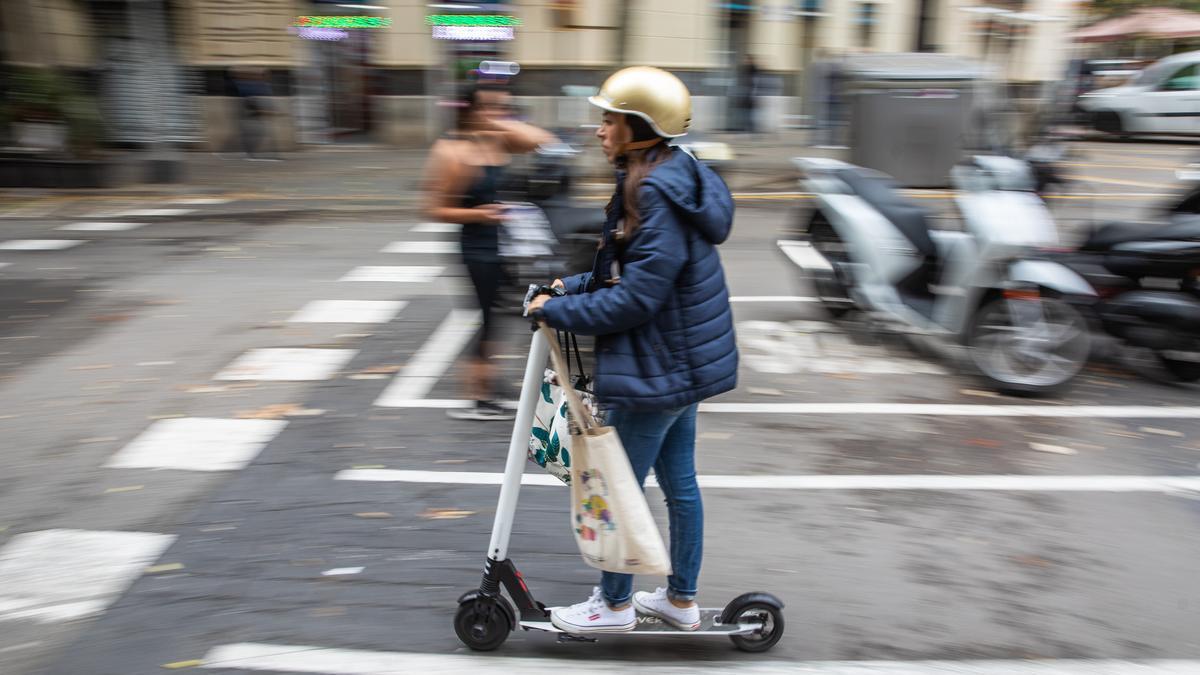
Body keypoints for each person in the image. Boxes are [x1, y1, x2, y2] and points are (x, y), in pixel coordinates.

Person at [526, 66, 738, 633]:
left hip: (659, 365)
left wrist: (555, 312)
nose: (598, 129)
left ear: (639, 127)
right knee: (679, 487)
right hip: (679, 360)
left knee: (616, 488)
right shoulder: (672, 176)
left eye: (609, 119)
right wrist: (568, 288)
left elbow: (636, 300)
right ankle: (680, 600)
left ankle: (613, 605)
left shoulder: (654, 192)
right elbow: (627, 274)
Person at [424, 84, 555, 421]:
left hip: (508, 244)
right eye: (488, 107)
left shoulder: (495, 140)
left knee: (501, 316)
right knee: (487, 317)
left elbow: (543, 140)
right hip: (478, 246)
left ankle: (488, 383)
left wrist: (500, 121)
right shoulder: (450, 151)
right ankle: (477, 395)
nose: (496, 113)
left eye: (502, 106)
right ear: (468, 109)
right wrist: (479, 214)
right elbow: (434, 209)